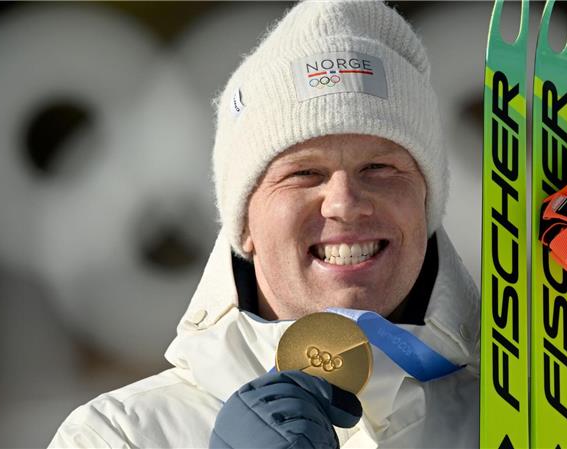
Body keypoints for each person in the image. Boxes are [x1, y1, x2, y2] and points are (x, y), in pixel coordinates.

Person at [49, 1, 480, 447]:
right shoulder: (120, 434)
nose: (345, 203)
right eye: (303, 173)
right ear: (244, 223)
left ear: (426, 202)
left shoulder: (524, 418)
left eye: (380, 168)